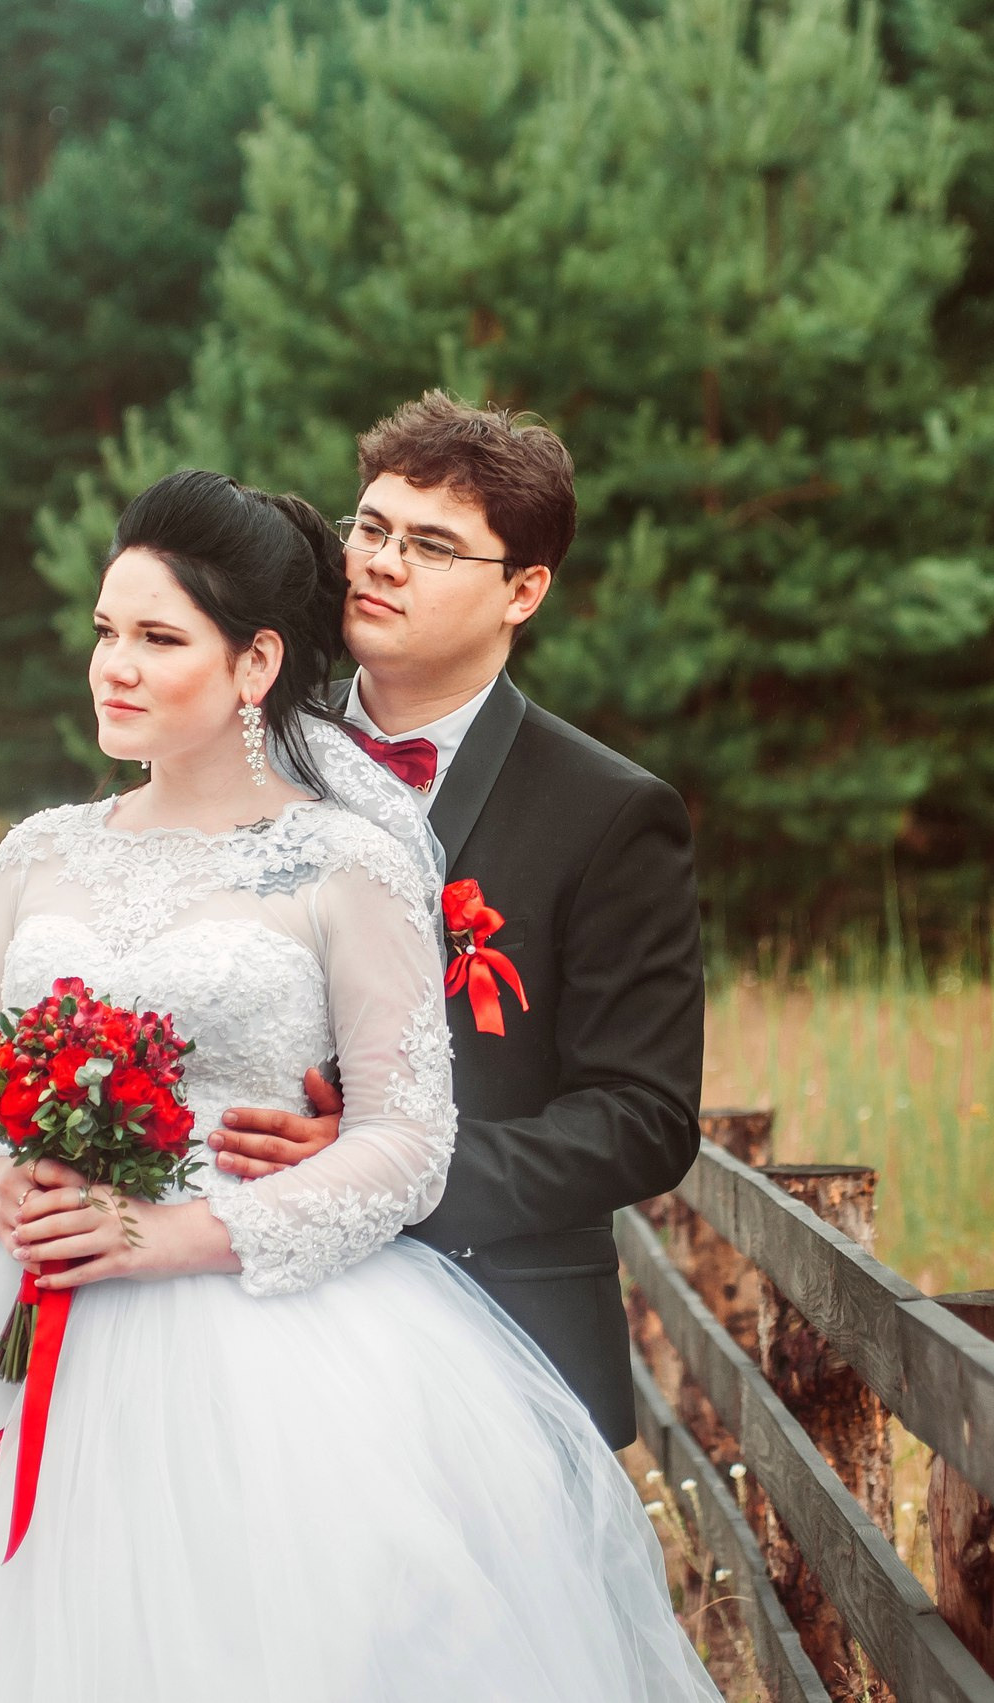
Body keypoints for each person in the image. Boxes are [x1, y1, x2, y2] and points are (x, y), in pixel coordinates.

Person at [0, 469, 717, 1702]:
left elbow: (405, 1138)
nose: (112, 667)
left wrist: (178, 1230)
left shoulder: (345, 859)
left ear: (252, 668)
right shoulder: (41, 849)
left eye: (155, 637)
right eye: (103, 631)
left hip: (255, 1327)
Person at [209, 392, 705, 1449]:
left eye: (431, 546)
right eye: (372, 528)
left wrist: (381, 1175)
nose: (380, 562)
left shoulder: (609, 812)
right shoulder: (243, 754)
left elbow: (640, 1115)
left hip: (497, 1342)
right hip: (235, 1324)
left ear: (523, 590)